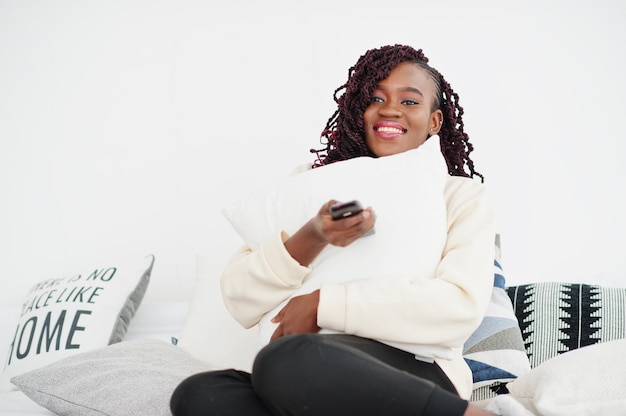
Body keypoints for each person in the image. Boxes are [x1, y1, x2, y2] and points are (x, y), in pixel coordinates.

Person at [171, 44, 498, 416]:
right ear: (358, 109)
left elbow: (458, 307)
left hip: (408, 369)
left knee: (284, 361)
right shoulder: (311, 185)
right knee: (199, 394)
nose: (390, 109)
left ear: (435, 121)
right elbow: (239, 296)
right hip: (305, 375)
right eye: (375, 98)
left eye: (409, 102)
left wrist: (322, 305)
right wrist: (312, 236)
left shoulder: (459, 195)